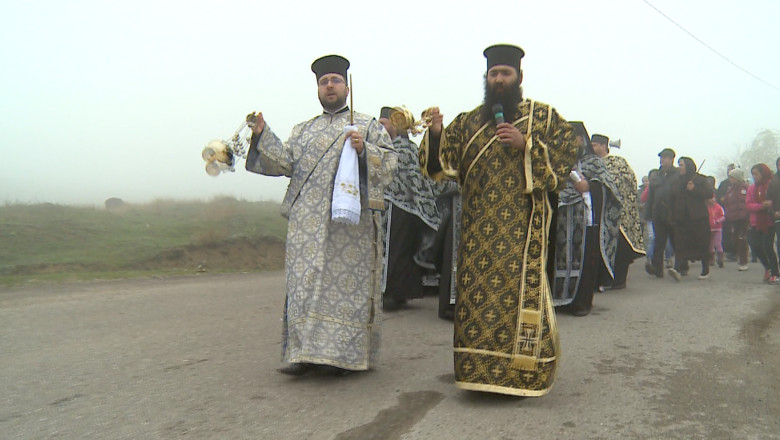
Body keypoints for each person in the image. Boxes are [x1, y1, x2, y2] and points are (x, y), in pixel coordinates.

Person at [419, 44, 578, 396]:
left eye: (505, 74)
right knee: (476, 303)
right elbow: (438, 167)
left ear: (518, 77)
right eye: (494, 74)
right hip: (477, 232)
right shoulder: (468, 122)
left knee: (518, 299)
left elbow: (567, 157)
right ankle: (476, 373)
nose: (499, 80)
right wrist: (434, 132)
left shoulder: (543, 117)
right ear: (487, 78)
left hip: (522, 231)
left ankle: (519, 372)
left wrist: (527, 145)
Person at [245, 54, 397, 376]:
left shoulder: (367, 126)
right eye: (324, 82)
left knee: (340, 290)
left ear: (346, 86)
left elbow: (391, 167)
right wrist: (262, 134)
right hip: (306, 224)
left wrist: (364, 150)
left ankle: (339, 356)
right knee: (304, 286)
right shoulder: (303, 130)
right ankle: (303, 354)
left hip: (349, 226)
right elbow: (284, 163)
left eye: (335, 81)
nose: (329, 86)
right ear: (318, 88)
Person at [378, 106, 443, 310]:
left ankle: (395, 293)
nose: (380, 128)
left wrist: (420, 202)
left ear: (395, 124)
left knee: (398, 251)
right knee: (388, 251)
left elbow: (418, 178)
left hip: (403, 209)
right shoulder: (382, 149)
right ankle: (390, 292)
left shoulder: (406, 149)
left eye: (383, 123)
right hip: (386, 208)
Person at [552, 123, 621, 316]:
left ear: (582, 139)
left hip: (586, 219)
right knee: (559, 259)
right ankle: (559, 300)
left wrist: (589, 185)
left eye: (573, 138)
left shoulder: (594, 162)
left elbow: (609, 187)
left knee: (584, 261)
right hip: (562, 219)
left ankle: (581, 302)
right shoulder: (559, 161)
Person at [590, 134, 645, 289]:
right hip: (598, 213)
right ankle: (602, 279)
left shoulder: (618, 162)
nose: (592, 148)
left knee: (620, 246)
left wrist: (606, 183)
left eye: (594, 145)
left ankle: (619, 280)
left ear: (603, 146)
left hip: (618, 214)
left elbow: (628, 181)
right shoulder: (591, 163)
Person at [667, 157, 713, 280]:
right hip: (681, 218)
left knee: (702, 243)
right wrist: (671, 216)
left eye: (681, 165)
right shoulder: (676, 181)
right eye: (679, 164)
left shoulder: (700, 179)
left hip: (698, 218)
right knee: (680, 244)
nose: (679, 167)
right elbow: (672, 199)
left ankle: (705, 269)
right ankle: (678, 269)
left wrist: (694, 189)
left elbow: (709, 194)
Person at [644, 148, 678, 278]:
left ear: (671, 159)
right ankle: (657, 268)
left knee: (676, 241)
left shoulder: (677, 175)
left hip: (673, 213)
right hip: (658, 213)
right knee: (659, 241)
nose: (662, 160)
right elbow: (650, 197)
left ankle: (681, 266)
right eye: (661, 157)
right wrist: (648, 214)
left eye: (665, 157)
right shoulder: (655, 176)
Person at [745, 163, 780, 284]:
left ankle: (775, 273)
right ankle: (768, 267)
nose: (754, 176)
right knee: (754, 245)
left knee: (767, 246)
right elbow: (748, 204)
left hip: (769, 220)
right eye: (752, 174)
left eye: (756, 174)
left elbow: (775, 199)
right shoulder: (751, 188)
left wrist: (771, 206)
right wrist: (761, 206)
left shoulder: (772, 185)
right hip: (756, 221)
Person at [721, 167, 749, 270]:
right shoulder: (730, 190)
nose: (730, 179)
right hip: (733, 218)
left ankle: (743, 261)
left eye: (732, 177)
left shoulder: (746, 188)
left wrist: (748, 213)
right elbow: (727, 203)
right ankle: (739, 256)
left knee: (742, 239)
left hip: (744, 218)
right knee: (735, 239)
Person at [716, 164, 737, 261]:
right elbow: (718, 196)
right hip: (726, 212)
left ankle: (736, 252)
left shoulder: (740, 184)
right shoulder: (723, 184)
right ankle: (727, 250)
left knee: (736, 233)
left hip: (737, 212)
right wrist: (721, 199)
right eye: (728, 170)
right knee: (726, 232)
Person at [707, 194, 726, 268]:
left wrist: (717, 221)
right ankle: (711, 259)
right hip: (709, 228)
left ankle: (720, 259)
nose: (712, 200)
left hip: (718, 228)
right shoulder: (706, 207)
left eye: (713, 198)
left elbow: (723, 217)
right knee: (710, 244)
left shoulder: (719, 207)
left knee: (718, 244)